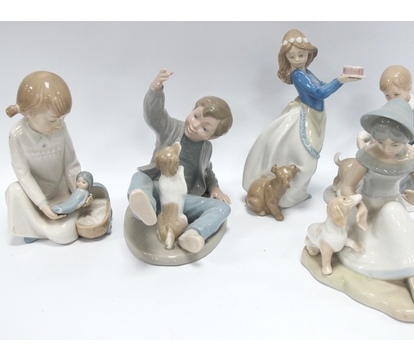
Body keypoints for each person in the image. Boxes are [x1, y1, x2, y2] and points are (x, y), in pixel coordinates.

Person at [339, 99, 414, 309]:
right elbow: (347, 187)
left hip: (394, 206)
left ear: (406, 140)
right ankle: (413, 276)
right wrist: (359, 205)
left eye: (395, 145)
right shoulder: (368, 154)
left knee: (396, 220)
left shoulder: (411, 157)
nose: (387, 149)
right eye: (381, 143)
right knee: (389, 231)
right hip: (367, 210)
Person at [243, 29, 361, 208]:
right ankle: (287, 196)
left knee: (305, 161)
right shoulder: (297, 75)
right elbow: (318, 92)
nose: (297, 59)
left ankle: (295, 193)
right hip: (304, 117)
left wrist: (342, 80)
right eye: (292, 56)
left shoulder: (306, 71)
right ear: (286, 58)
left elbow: (321, 85)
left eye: (301, 55)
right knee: (306, 164)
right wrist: (339, 81)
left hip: (315, 115)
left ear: (308, 54)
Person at [127, 69, 233, 254]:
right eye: (196, 116)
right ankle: (146, 209)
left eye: (205, 128)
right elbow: (155, 115)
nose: (195, 125)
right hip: (156, 189)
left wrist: (214, 187)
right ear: (192, 110)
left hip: (181, 199)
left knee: (222, 208)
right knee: (139, 178)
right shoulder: (171, 128)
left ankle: (193, 234)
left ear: (212, 136)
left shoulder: (206, 148)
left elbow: (207, 171)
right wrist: (156, 90)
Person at [5, 71, 85, 244]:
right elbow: (23, 174)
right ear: (29, 113)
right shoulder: (17, 134)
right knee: (13, 191)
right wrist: (42, 204)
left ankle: (40, 229)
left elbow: (71, 165)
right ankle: (38, 227)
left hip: (61, 194)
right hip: (35, 199)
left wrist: (79, 193)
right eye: (53, 120)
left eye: (63, 118)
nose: (59, 124)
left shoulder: (61, 129)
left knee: (68, 230)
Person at [356, 65, 414, 196]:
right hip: (385, 154)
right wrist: (363, 137)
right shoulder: (389, 108)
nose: (392, 99)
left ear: (409, 88)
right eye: (387, 96)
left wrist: (402, 154)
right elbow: (379, 127)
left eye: (396, 94)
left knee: (396, 185)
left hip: (404, 163)